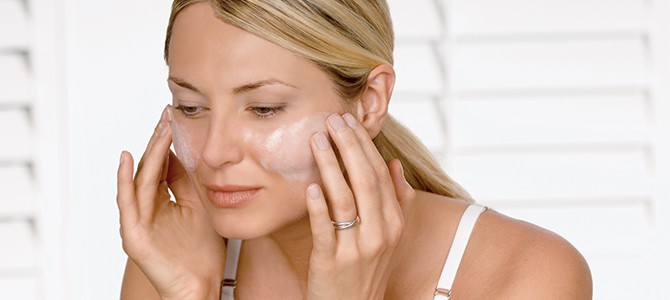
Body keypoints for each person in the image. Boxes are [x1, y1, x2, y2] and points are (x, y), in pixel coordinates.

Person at [116, 0, 593, 299]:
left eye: (263, 109)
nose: (215, 152)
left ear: (369, 101)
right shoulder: (172, 257)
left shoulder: (525, 276)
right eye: (191, 106)